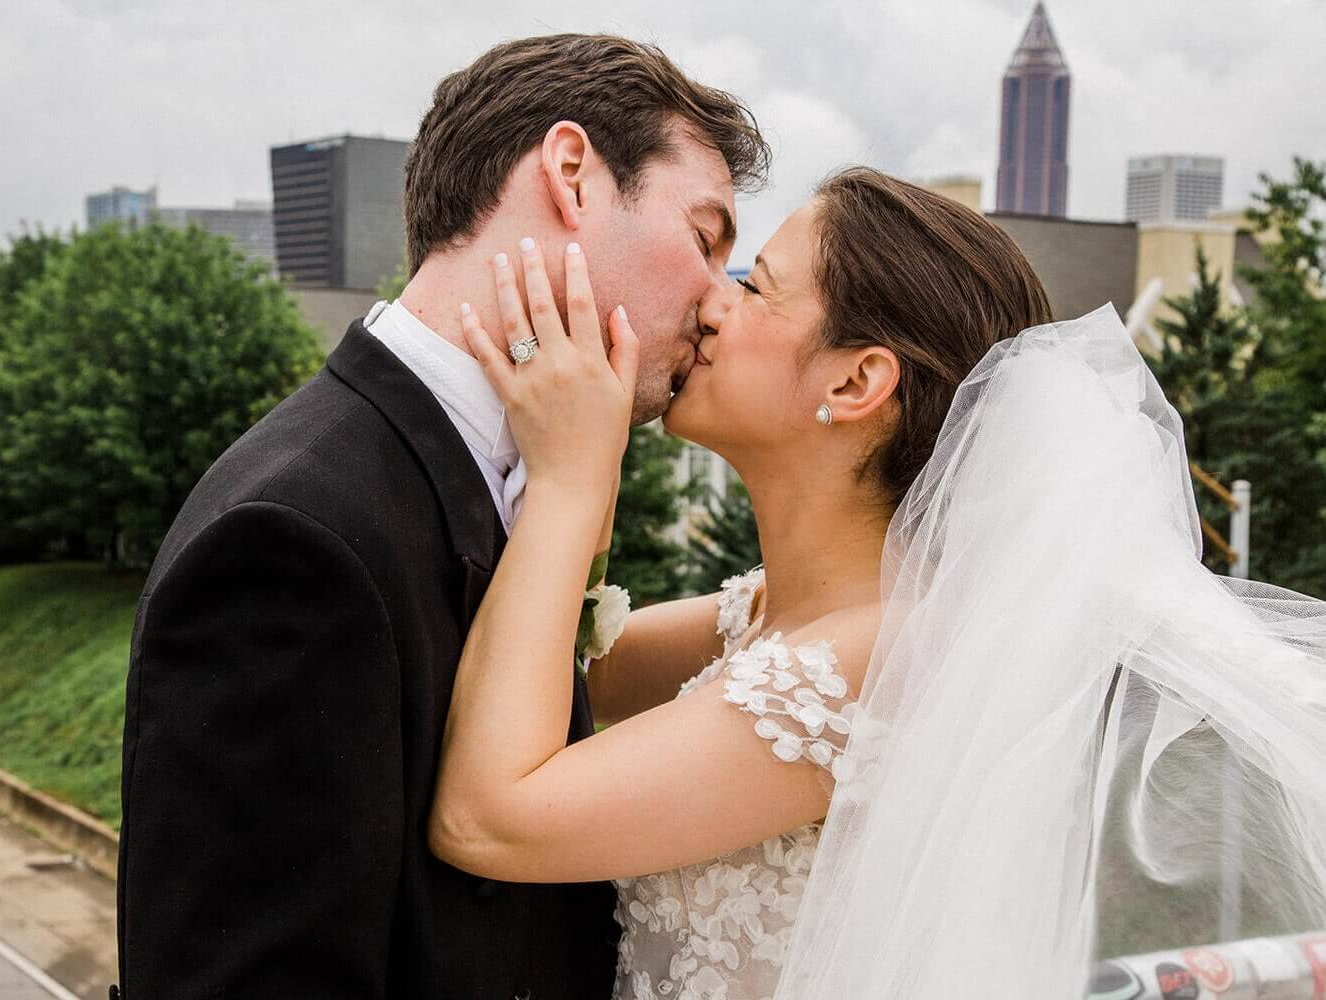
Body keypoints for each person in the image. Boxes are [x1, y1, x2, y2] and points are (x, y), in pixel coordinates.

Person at [431, 167, 1326, 998]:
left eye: (754, 287)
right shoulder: (772, 618)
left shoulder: (872, 660)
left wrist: (567, 483)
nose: (709, 303)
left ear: (858, 380)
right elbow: (562, 676)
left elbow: (487, 819)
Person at [113, 33, 769, 999]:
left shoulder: (533, 477)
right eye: (707, 240)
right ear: (574, 174)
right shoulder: (293, 537)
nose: (719, 303)